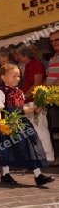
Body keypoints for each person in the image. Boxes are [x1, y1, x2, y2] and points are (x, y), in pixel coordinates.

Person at [0, 64, 55, 186]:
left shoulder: (19, 92)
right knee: (7, 149)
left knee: (31, 146)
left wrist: (34, 109)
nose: (17, 79)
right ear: (3, 77)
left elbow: (22, 108)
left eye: (18, 76)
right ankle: (5, 174)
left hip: (22, 123)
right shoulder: (0, 92)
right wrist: (1, 123)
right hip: (9, 123)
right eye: (13, 76)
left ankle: (38, 175)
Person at [17, 44, 55, 163]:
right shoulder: (28, 65)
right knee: (33, 130)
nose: (18, 57)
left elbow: (37, 84)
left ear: (26, 55)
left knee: (41, 129)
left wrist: (23, 96)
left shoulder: (37, 65)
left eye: (19, 55)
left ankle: (49, 157)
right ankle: (39, 156)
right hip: (30, 101)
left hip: (36, 100)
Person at [46, 30, 59, 166]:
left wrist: (46, 92)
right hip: (54, 98)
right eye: (52, 41)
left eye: (57, 40)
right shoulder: (53, 57)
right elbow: (50, 78)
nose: (54, 43)